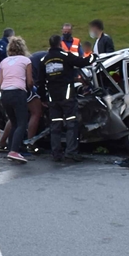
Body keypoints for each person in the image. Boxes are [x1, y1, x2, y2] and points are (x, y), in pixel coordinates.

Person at [43, 33, 84, 162]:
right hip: (67, 97)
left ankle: (56, 153)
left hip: (53, 98)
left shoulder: (44, 59)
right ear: (59, 44)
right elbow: (81, 62)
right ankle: (71, 152)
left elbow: (40, 81)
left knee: (55, 126)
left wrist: (43, 98)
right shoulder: (65, 56)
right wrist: (93, 57)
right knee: (71, 124)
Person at [0, 35, 33, 162]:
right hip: (18, 92)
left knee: (13, 122)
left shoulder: (4, 62)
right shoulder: (26, 61)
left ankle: (11, 148)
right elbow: (29, 81)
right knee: (22, 123)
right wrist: (29, 90)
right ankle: (14, 151)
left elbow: (0, 83)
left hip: (5, 94)